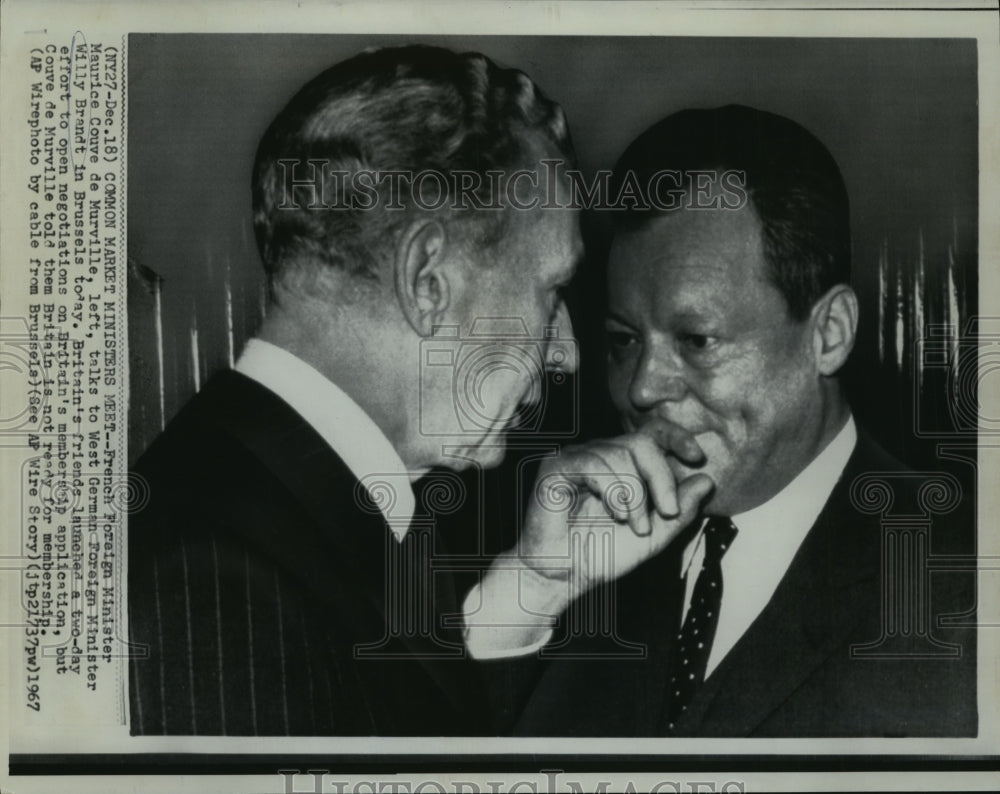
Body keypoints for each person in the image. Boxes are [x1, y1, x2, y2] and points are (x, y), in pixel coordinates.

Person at [128, 45, 707, 736]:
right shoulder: (210, 582)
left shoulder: (288, 509)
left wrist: (529, 589)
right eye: (551, 292)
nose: (566, 356)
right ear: (428, 280)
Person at [512, 105, 977, 737]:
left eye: (697, 340)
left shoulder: (964, 579)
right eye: (623, 341)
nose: (644, 388)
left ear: (830, 334)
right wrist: (536, 590)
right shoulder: (581, 563)